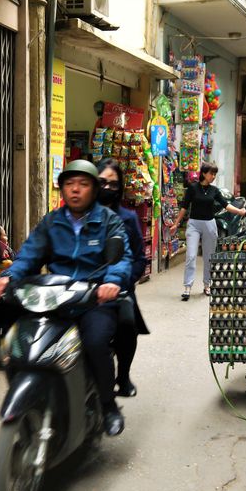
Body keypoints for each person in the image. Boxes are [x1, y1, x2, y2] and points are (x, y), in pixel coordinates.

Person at [0, 159, 133, 437]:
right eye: (70, 184)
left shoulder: (108, 221)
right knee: (19, 342)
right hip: (55, 296)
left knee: (95, 342)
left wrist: (112, 283)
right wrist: (9, 277)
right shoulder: (52, 222)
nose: (76, 190)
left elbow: (121, 259)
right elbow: (29, 254)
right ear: (62, 189)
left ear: (93, 189)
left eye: (83, 184)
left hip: (93, 298)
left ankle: (108, 404)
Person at [96, 158, 150, 398]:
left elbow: (138, 258)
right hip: (82, 287)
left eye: (113, 184)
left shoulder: (127, 218)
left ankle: (123, 376)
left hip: (119, 288)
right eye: (101, 182)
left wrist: (124, 282)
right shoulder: (77, 215)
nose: (107, 188)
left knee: (127, 325)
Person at [170, 162, 246, 301]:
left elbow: (226, 205)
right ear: (204, 173)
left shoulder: (214, 191)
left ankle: (207, 285)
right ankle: (187, 287)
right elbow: (184, 207)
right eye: (211, 173)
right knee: (191, 255)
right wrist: (176, 224)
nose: (213, 176)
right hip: (194, 224)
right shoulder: (192, 188)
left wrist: (239, 211)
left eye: (215, 174)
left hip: (210, 225)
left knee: (209, 257)